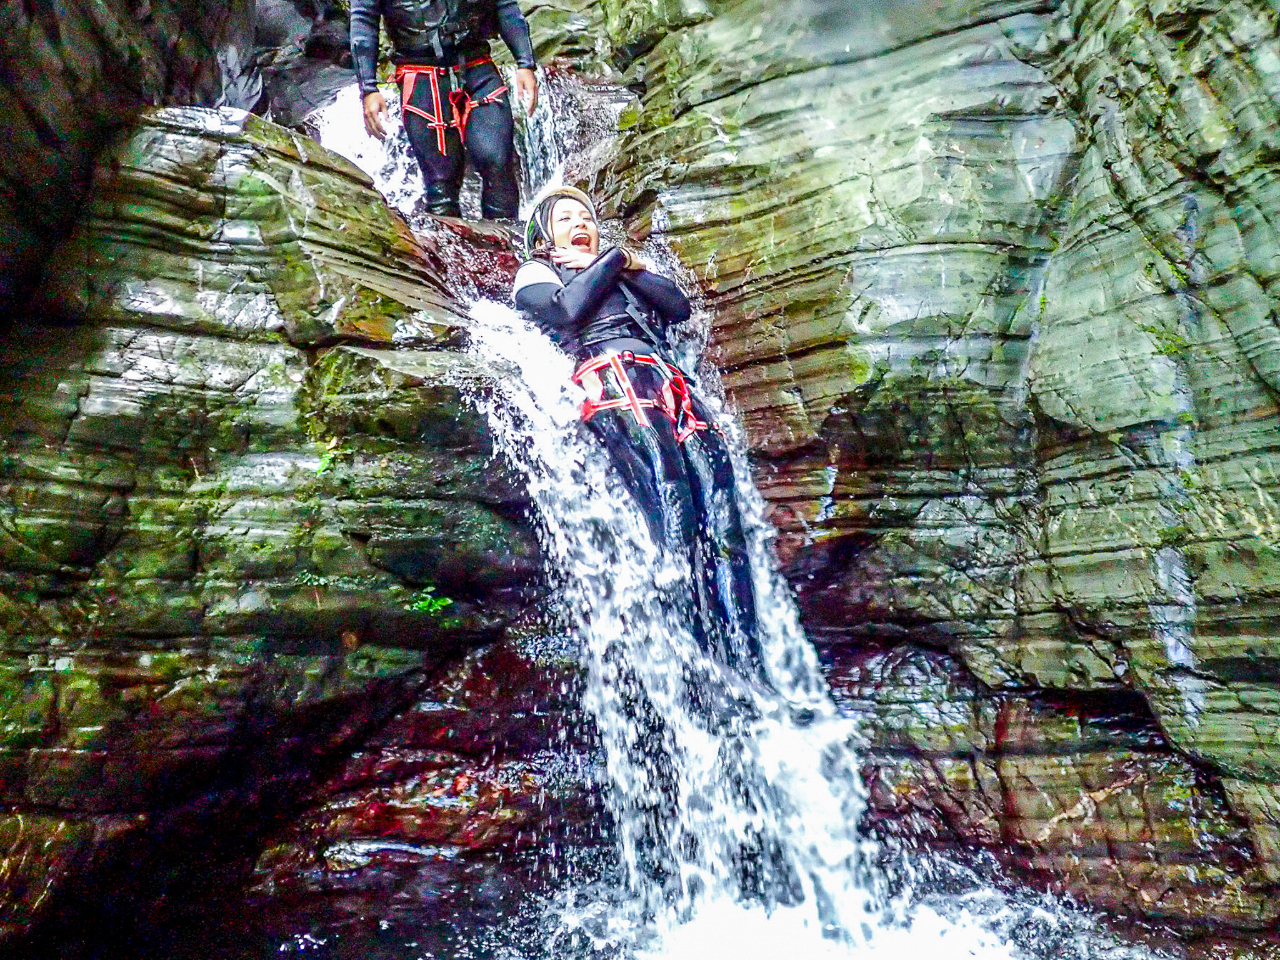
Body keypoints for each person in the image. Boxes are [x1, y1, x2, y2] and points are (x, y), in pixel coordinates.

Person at [513, 187, 762, 675]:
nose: (580, 222)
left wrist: (623, 262)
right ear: (544, 236)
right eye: (565, 218)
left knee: (724, 513)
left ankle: (749, 663)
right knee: (671, 496)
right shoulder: (538, 271)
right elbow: (563, 312)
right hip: (612, 377)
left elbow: (678, 307)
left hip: (673, 383)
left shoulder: (627, 271)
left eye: (586, 215)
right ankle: (696, 661)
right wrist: (612, 260)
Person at [350, 0, 538, 219]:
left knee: (497, 163)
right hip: (420, 74)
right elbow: (363, 20)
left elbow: (505, 5)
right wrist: (369, 89)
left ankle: (507, 247)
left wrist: (525, 63)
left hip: (476, 65)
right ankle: (449, 249)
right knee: (440, 186)